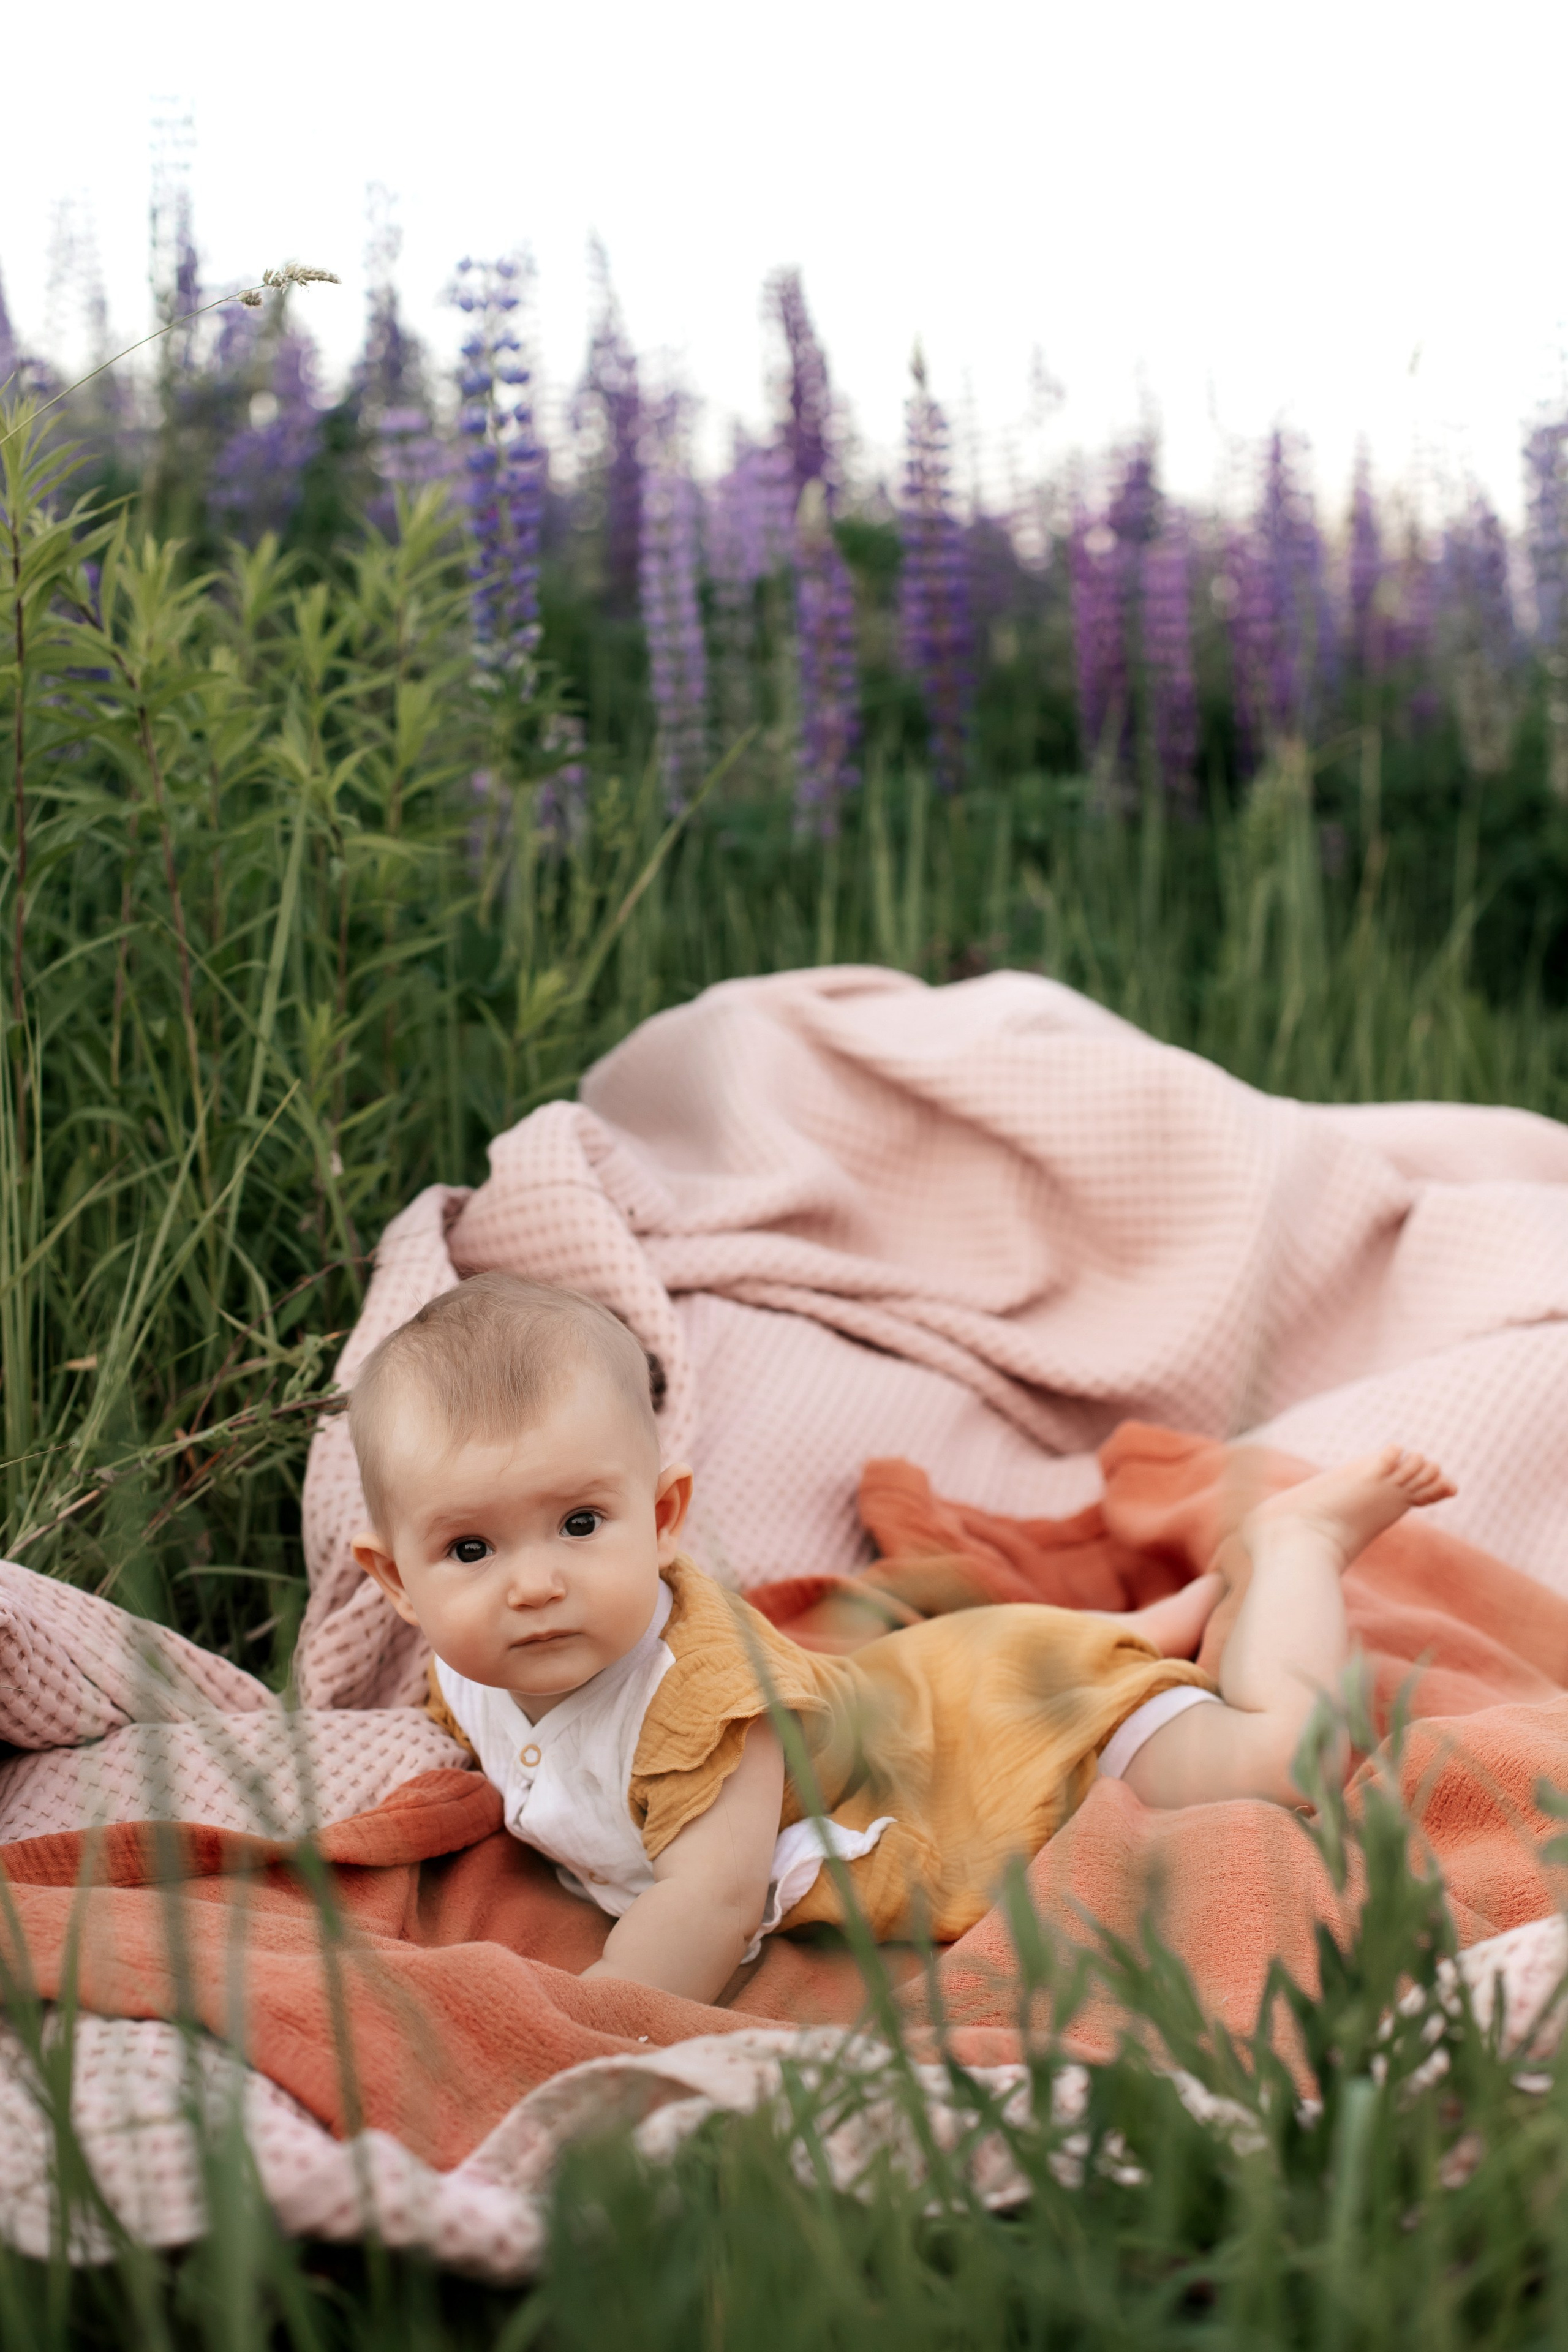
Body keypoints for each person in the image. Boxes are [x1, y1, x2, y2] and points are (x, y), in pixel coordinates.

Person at [348, 1273, 1453, 2005]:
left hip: (978, 1752)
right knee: (1033, 1656)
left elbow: (709, 1902)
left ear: (665, 1515)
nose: (535, 1584)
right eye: (471, 1549)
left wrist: (594, 2022)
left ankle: (1295, 1545)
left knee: (1280, 1761)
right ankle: (1157, 1620)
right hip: (924, 1681)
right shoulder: (469, 1665)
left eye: (582, 1525)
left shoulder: (700, 1709)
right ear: (397, 1581)